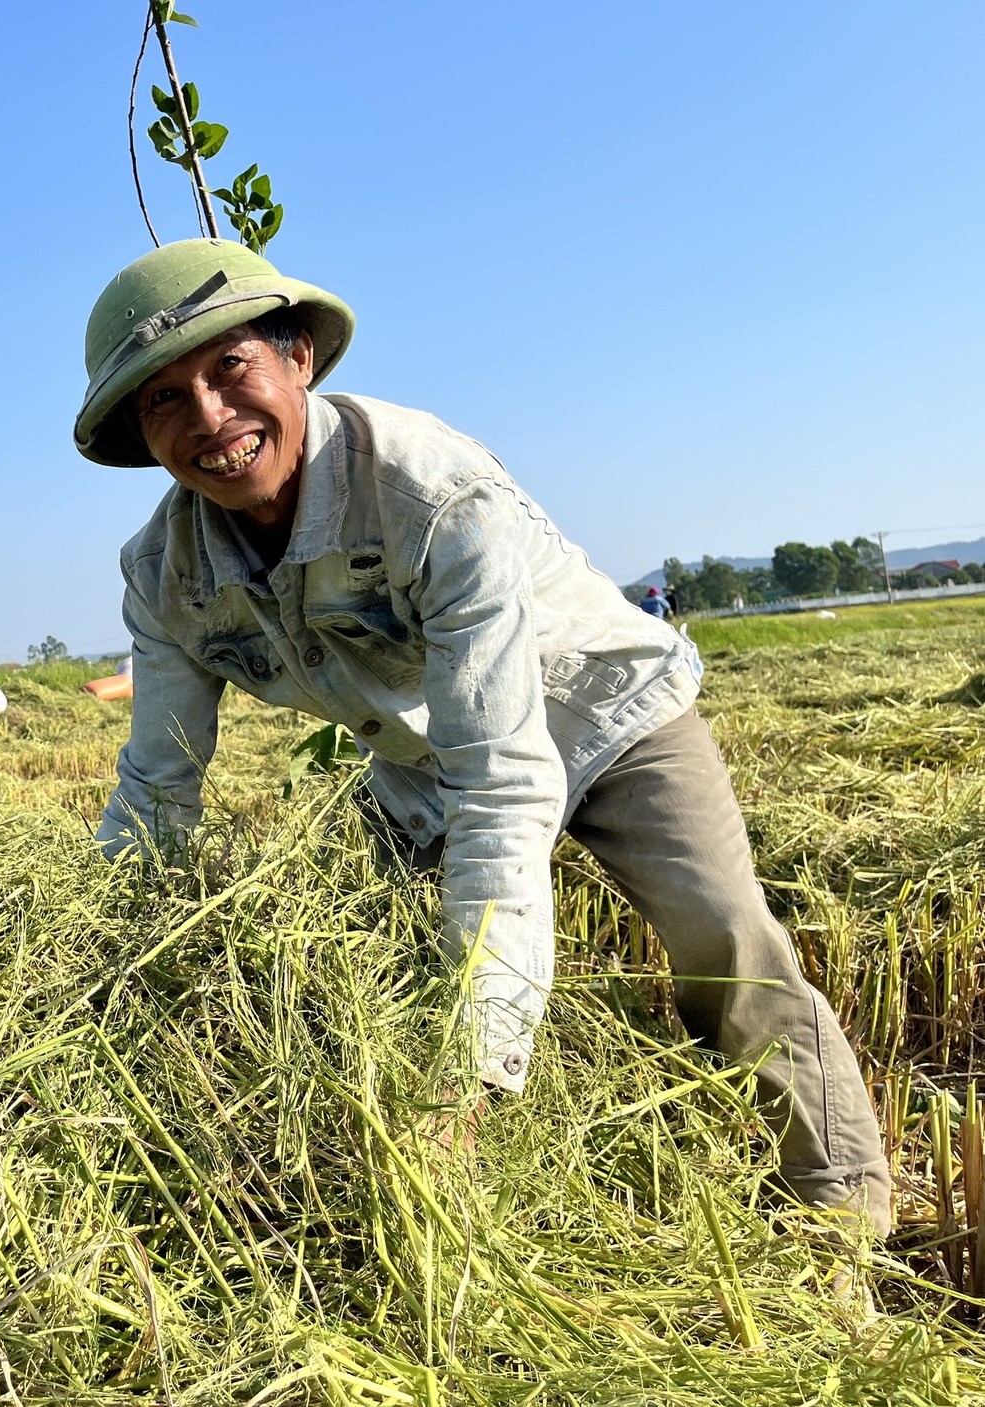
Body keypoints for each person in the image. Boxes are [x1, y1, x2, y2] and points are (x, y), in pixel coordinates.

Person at [74, 238, 889, 1243]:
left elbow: (501, 779)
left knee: (722, 942)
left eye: (229, 368)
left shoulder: (426, 491)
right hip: (424, 756)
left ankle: (839, 1222)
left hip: (598, 709)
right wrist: (89, 967)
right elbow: (157, 788)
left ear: (296, 359)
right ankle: (463, 1219)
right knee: (380, 979)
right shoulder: (167, 575)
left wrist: (473, 1070)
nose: (209, 418)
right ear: (141, 435)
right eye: (164, 399)